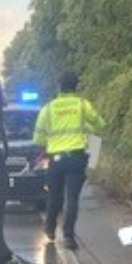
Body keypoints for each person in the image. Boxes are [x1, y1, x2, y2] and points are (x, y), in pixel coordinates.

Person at [32, 70, 105, 250]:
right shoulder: (82, 105)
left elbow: (38, 139)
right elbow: (100, 125)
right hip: (76, 157)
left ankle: (49, 229)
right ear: (76, 85)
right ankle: (68, 236)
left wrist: (50, 141)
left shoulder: (48, 108)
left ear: (59, 86)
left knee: (54, 195)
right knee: (71, 198)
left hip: (56, 159)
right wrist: (85, 128)